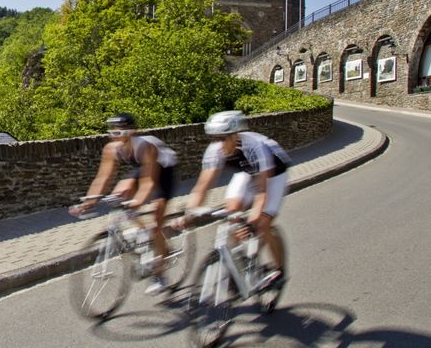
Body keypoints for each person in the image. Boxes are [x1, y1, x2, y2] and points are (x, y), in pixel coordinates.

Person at [175, 110, 289, 285]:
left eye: (222, 138)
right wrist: (189, 213)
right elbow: (202, 186)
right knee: (231, 210)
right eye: (214, 138)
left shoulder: (254, 147)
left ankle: (279, 270)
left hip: (273, 176)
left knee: (263, 223)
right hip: (247, 173)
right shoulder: (214, 150)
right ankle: (240, 261)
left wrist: (252, 223)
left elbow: (261, 192)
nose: (218, 144)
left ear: (235, 136)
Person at [69, 113, 178, 295]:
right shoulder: (111, 149)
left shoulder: (145, 146)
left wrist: (137, 202)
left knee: (156, 216)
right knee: (120, 191)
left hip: (164, 171)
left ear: (132, 131)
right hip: (142, 168)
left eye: (120, 130)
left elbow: (149, 183)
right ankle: (145, 234)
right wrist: (88, 201)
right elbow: (103, 177)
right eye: (112, 130)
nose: (115, 134)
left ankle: (160, 273)